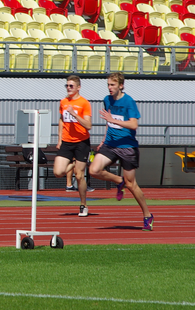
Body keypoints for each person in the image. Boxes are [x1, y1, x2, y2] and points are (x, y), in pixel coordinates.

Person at [88, 72, 154, 231]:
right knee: (93, 170)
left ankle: (147, 215)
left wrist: (113, 120)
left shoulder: (129, 102)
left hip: (127, 146)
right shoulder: (107, 99)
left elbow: (133, 125)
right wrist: (104, 138)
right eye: (108, 85)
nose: (110, 88)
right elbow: (108, 122)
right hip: (110, 144)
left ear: (121, 85)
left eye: (113, 85)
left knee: (132, 184)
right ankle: (119, 181)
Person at [52, 75, 92, 217]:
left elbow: (88, 125)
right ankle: (75, 162)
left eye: (71, 86)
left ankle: (83, 205)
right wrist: (59, 139)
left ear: (78, 87)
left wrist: (74, 114)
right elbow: (61, 120)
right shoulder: (63, 102)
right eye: (67, 86)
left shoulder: (84, 103)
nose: (68, 88)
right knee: (58, 172)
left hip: (81, 141)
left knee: (79, 175)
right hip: (67, 141)